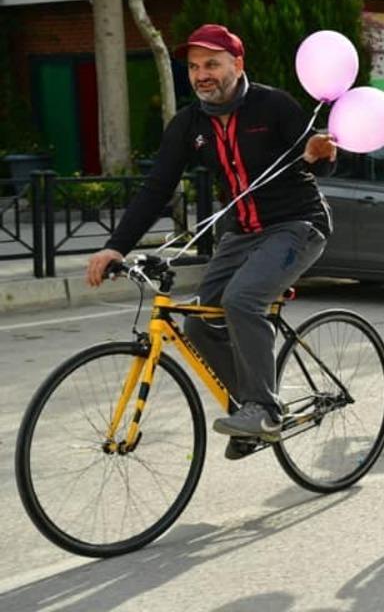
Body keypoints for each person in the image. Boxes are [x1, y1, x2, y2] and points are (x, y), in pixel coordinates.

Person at [86, 23, 336, 454]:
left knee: (241, 300)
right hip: (240, 233)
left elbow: (318, 161)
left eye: (212, 64)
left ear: (237, 65)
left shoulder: (273, 106)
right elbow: (156, 188)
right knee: (198, 322)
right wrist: (117, 246)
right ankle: (250, 407)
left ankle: (264, 410)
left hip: (297, 224)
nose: (202, 74)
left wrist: (321, 157)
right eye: (194, 66)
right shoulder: (188, 123)